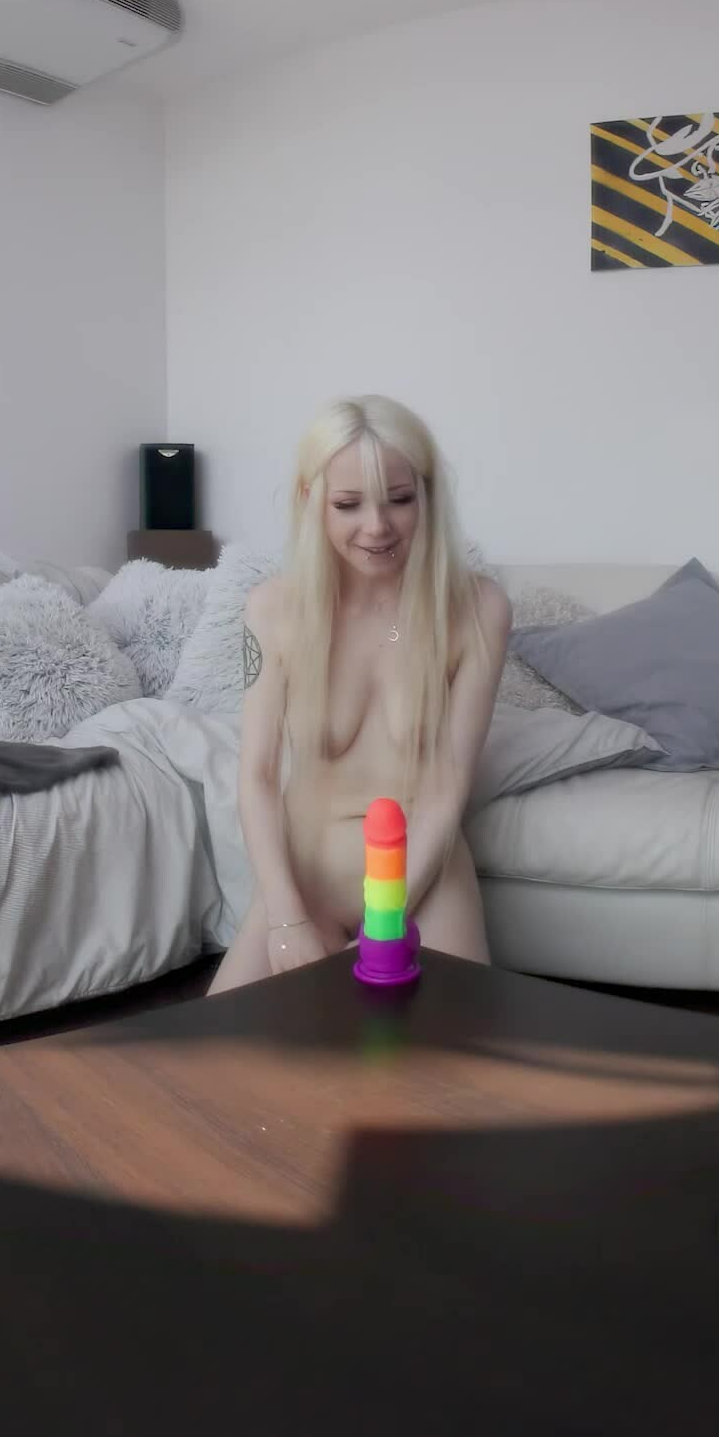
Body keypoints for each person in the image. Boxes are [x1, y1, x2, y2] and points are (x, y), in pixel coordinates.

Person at [209, 396, 512, 992]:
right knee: (219, 1045)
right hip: (306, 889)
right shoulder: (273, 610)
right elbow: (258, 778)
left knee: (446, 1051)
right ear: (311, 500)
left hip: (424, 889)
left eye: (399, 498)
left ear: (427, 495)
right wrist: (287, 920)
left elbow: (448, 785)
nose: (377, 526)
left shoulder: (479, 610)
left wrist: (384, 922)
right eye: (348, 504)